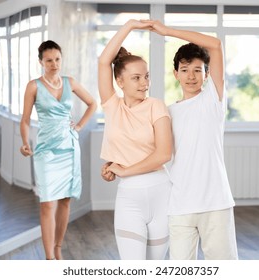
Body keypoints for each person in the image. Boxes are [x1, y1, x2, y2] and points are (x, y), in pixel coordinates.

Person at [147, 20, 239, 260]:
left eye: (197, 70)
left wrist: (167, 32)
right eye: (185, 69)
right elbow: (155, 153)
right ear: (176, 73)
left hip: (216, 203)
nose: (191, 76)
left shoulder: (213, 100)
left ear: (206, 74)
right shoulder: (166, 112)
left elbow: (216, 45)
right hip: (180, 205)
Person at [99, 19, 173, 260]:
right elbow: (103, 62)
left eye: (146, 76)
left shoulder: (156, 106)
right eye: (136, 78)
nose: (145, 83)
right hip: (129, 198)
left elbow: (163, 154)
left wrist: (124, 170)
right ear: (119, 82)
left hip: (162, 193)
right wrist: (129, 26)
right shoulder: (112, 106)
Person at [20, 40, 97, 260]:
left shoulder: (69, 82)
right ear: (41, 62)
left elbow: (93, 103)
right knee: (47, 203)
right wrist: (25, 142)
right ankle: (49, 259)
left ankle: (58, 248)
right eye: (49, 60)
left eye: (57, 59)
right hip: (46, 151)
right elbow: (25, 120)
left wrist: (79, 126)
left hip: (69, 148)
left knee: (65, 200)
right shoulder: (33, 86)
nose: (54, 64)